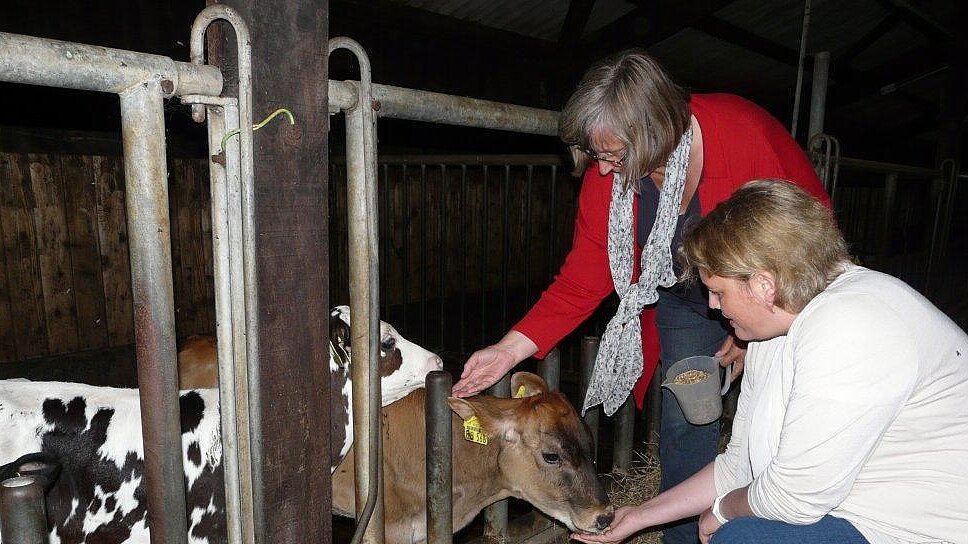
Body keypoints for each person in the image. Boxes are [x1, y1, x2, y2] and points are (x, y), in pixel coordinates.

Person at [451, 49, 830, 544]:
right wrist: (510, 348)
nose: (603, 170)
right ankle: (682, 535)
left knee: (774, 408)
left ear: (657, 132)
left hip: (775, 297)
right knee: (687, 413)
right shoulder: (607, 175)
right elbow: (583, 278)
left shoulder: (743, 137)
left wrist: (753, 330)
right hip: (684, 296)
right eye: (597, 155)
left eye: (613, 155)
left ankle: (786, 511)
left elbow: (809, 240)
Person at [571, 179, 968, 544]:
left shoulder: (853, 323)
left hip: (920, 529)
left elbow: (793, 498)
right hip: (855, 511)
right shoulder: (773, 327)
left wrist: (723, 511)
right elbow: (739, 464)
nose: (711, 305)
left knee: (743, 539)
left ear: (764, 284)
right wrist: (640, 516)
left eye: (718, 292)